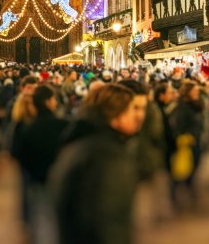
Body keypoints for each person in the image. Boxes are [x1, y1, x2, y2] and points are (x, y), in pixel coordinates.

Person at [49, 83, 146, 244]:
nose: (138, 116)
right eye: (132, 110)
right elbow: (107, 222)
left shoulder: (80, 140)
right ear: (116, 115)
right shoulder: (108, 157)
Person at [17, 84, 69, 185]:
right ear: (47, 102)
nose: (55, 103)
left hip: (35, 180)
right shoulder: (62, 125)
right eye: (53, 99)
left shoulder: (27, 128)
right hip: (58, 179)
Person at [169, 81, 206, 202]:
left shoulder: (197, 105)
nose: (197, 93)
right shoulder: (181, 107)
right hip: (186, 141)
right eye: (194, 91)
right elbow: (178, 124)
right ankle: (176, 191)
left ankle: (189, 185)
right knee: (182, 167)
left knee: (194, 164)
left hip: (196, 139)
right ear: (187, 92)